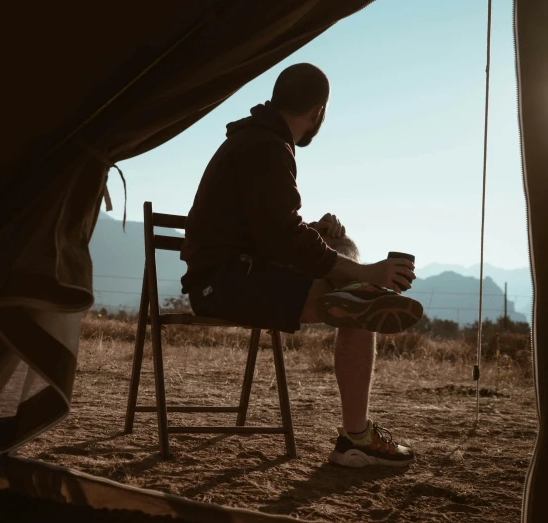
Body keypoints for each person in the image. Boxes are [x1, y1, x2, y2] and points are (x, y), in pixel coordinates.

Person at [180, 63, 423, 467]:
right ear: (318, 113)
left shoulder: (257, 141)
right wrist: (361, 271)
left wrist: (315, 232)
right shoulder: (267, 147)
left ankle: (358, 292)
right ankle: (356, 438)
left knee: (343, 249)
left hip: (233, 274)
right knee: (360, 305)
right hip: (224, 285)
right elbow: (282, 238)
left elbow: (268, 230)